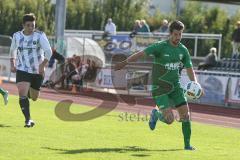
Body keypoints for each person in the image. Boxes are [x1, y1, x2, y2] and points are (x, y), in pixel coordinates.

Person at [115, 20, 202, 150]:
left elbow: (189, 69)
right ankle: (156, 114)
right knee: (169, 120)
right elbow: (141, 54)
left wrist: (195, 83)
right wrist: (124, 62)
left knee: (185, 115)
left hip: (175, 88)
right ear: (170, 34)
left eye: (180, 35)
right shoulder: (160, 47)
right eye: (176, 34)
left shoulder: (183, 50)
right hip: (159, 89)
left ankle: (187, 146)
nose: (178, 37)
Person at [9, 13, 52, 128]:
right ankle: (28, 120)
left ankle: (29, 90)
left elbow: (49, 52)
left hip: (37, 71)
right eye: (28, 25)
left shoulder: (40, 36)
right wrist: (12, 63)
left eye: (32, 25)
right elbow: (12, 50)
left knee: (34, 97)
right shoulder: (17, 36)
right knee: (22, 93)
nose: (30, 28)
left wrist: (42, 65)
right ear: (23, 25)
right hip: (22, 69)